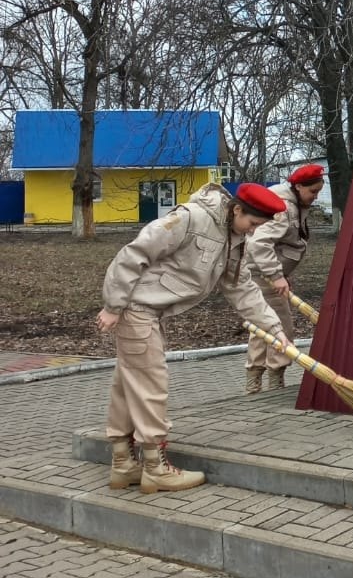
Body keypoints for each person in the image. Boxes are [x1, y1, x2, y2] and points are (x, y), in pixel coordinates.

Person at [96, 181, 289, 493]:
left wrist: (274, 329)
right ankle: (156, 469)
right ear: (237, 209)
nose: (253, 231)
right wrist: (113, 304)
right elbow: (135, 252)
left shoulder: (233, 238)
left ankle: (123, 463)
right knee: (150, 385)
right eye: (253, 223)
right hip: (136, 309)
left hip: (146, 311)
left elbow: (242, 288)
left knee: (128, 382)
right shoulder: (191, 218)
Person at [243, 163, 325, 393]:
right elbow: (259, 244)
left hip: (263, 275)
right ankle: (275, 380)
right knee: (280, 326)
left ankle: (254, 384)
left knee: (262, 325)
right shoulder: (283, 209)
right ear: (298, 186)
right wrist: (277, 275)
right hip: (264, 277)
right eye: (313, 191)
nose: (315, 197)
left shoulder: (293, 203)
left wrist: (283, 275)